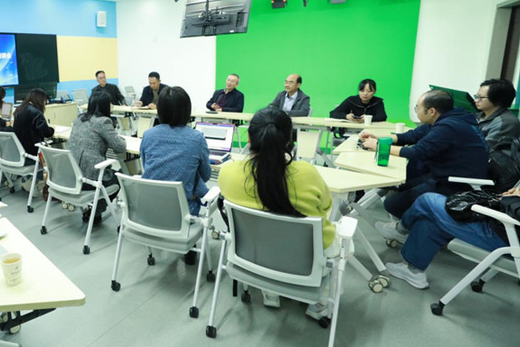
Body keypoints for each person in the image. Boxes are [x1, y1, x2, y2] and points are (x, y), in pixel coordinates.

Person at [218, 107, 335, 316]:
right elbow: (326, 206)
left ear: (250, 139)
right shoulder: (307, 173)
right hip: (306, 262)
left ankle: (270, 293)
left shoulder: (228, 172)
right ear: (290, 141)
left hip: (252, 254)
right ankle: (318, 306)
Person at [361, 90, 489, 225]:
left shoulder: (448, 127)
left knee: (392, 204)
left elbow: (416, 152)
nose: (416, 111)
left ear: (431, 111)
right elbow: (410, 136)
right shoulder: (445, 119)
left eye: (418, 108)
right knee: (401, 186)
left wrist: (379, 146)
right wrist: (378, 138)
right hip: (443, 173)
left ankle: (407, 228)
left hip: (456, 183)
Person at [379, 185, 520, 289]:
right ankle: (413, 270)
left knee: (427, 200)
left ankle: (400, 229)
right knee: (432, 219)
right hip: (502, 224)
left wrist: (512, 199)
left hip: (506, 236)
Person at [140, 86, 210, 216]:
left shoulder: (148, 135)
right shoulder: (197, 138)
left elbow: (146, 166)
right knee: (193, 173)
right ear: (187, 110)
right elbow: (205, 175)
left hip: (149, 209)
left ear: (160, 110)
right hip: (183, 213)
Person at [68, 91, 127, 224]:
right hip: (90, 179)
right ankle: (96, 211)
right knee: (122, 174)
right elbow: (120, 147)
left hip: (72, 176)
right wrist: (119, 137)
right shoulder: (103, 122)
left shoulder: (78, 119)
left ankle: (93, 211)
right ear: (105, 106)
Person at [474, 78, 520, 149]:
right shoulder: (479, 115)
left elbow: (483, 149)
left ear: (497, 99)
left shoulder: (506, 123)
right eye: (476, 96)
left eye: (481, 97)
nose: (476, 100)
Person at [13, 88, 54, 158]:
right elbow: (46, 133)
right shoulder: (36, 113)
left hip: (20, 150)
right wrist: (52, 129)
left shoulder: (19, 109)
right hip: (32, 150)